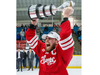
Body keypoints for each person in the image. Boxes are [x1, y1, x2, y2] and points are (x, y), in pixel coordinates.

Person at [25, 7, 74, 75]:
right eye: (46, 38)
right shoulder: (42, 48)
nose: (46, 40)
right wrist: (33, 24)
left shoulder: (63, 51)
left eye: (50, 38)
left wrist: (65, 16)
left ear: (57, 41)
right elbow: (30, 38)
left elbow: (65, 36)